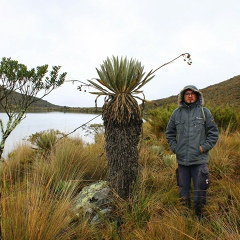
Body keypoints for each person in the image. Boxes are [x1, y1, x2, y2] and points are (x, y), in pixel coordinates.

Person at [165, 85, 219, 219]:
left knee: (200, 191)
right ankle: (185, 217)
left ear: (197, 96)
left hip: (199, 160)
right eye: (187, 93)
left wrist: (203, 148)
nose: (190, 95)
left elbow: (213, 134)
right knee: (183, 191)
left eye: (192, 93)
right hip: (182, 161)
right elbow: (169, 133)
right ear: (182, 96)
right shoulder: (176, 113)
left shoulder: (204, 112)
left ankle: (200, 217)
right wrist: (175, 148)